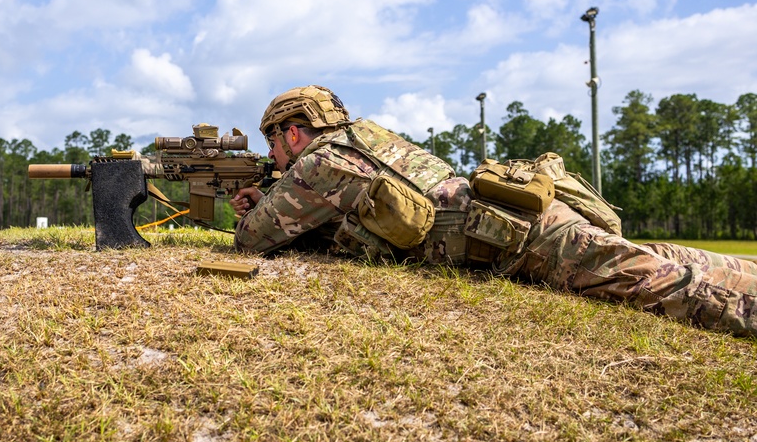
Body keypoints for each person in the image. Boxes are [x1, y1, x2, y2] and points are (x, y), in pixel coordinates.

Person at [231, 85, 757, 338]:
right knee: (653, 257)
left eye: (274, 143)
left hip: (523, 239)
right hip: (521, 216)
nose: (273, 155)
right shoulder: (364, 140)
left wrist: (256, 206)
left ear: (293, 132)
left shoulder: (317, 164)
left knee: (660, 286)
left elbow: (251, 241)